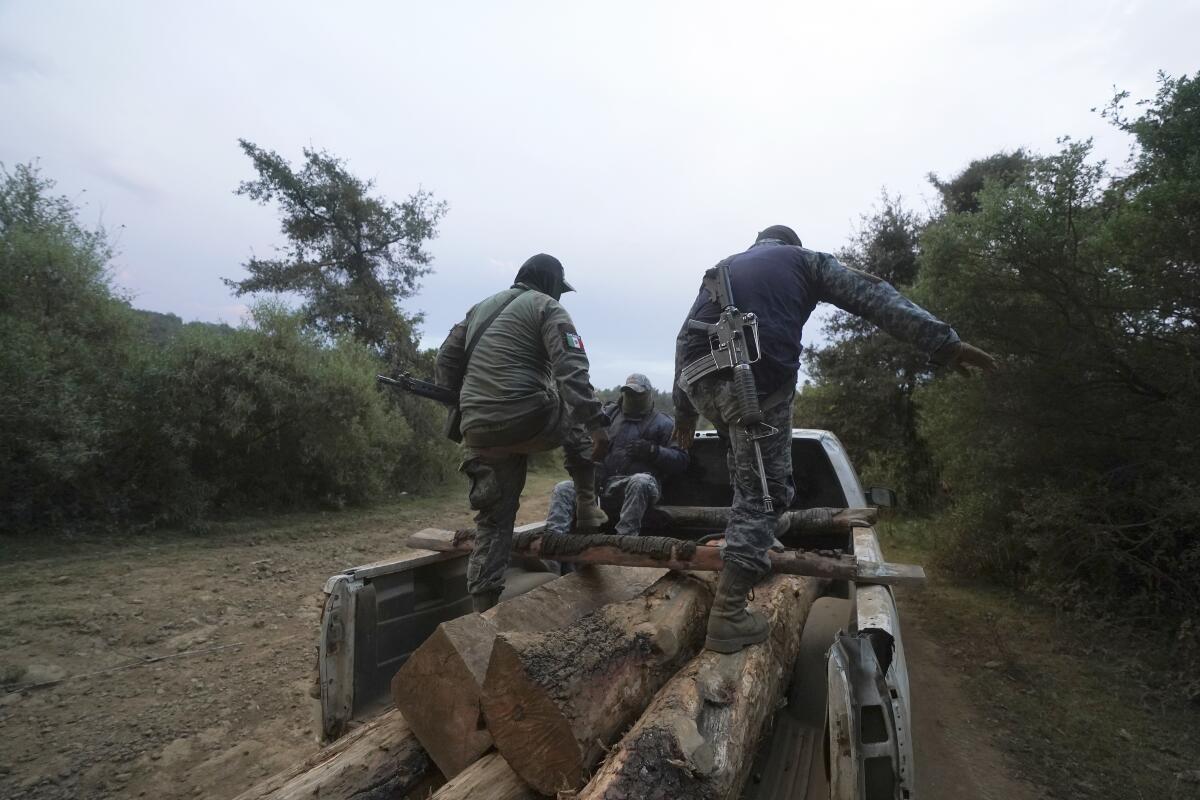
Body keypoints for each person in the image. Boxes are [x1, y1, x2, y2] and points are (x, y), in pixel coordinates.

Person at [673, 225, 996, 653]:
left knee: (745, 464)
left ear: (759, 243)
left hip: (698, 381)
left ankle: (754, 539)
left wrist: (683, 411)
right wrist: (944, 343)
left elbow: (684, 338)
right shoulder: (807, 260)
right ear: (792, 244)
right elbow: (873, 296)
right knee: (767, 494)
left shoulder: (722, 269)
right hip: (755, 377)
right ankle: (728, 615)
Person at [437, 254, 610, 613]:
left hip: (479, 430)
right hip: (526, 418)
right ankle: (587, 504)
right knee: (574, 404)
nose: (560, 296)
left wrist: (469, 401)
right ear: (550, 283)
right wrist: (596, 424)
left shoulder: (478, 309)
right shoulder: (547, 307)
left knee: (493, 525)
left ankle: (483, 612)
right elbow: (571, 370)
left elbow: (445, 360)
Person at [545, 373, 688, 538]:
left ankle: (624, 539)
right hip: (604, 484)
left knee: (639, 481)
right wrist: (591, 466)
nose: (632, 397)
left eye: (637, 394)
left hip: (643, 487)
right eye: (628, 393)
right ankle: (553, 542)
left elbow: (682, 460)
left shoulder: (664, 423)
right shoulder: (607, 417)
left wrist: (653, 452)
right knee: (563, 488)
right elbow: (585, 444)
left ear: (648, 395)